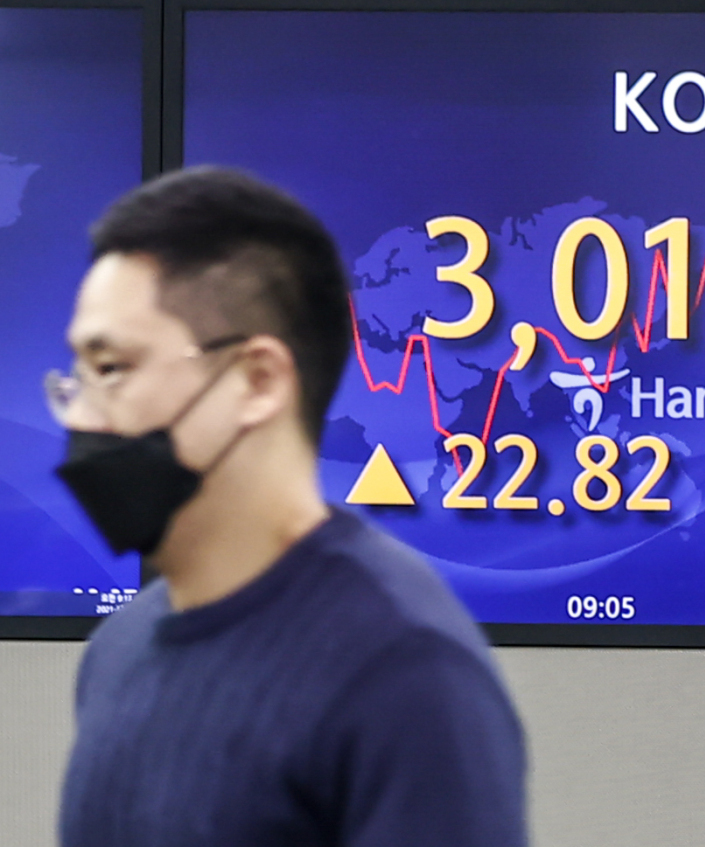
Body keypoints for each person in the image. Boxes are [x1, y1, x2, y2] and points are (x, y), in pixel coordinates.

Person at [52, 166, 526, 847]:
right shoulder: (116, 654)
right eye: (78, 374)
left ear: (257, 380)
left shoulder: (405, 674)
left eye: (113, 369)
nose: (85, 415)